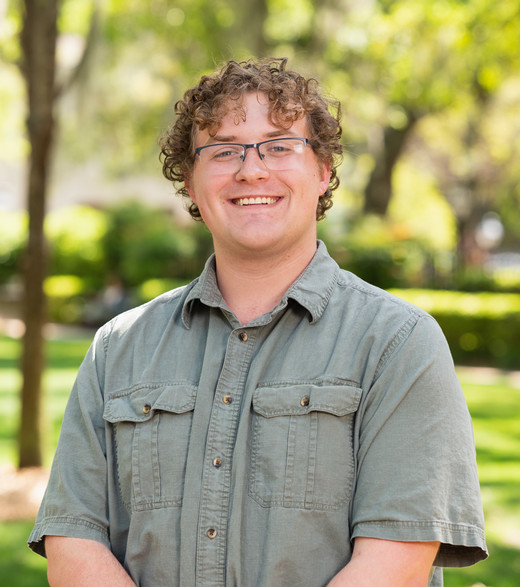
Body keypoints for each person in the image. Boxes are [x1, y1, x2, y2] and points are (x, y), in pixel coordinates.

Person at [29, 57, 488, 586]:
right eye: (223, 151)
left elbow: (394, 564)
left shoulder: (397, 343)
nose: (251, 169)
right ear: (192, 182)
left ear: (322, 172)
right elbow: (73, 538)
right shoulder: (117, 347)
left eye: (278, 145)